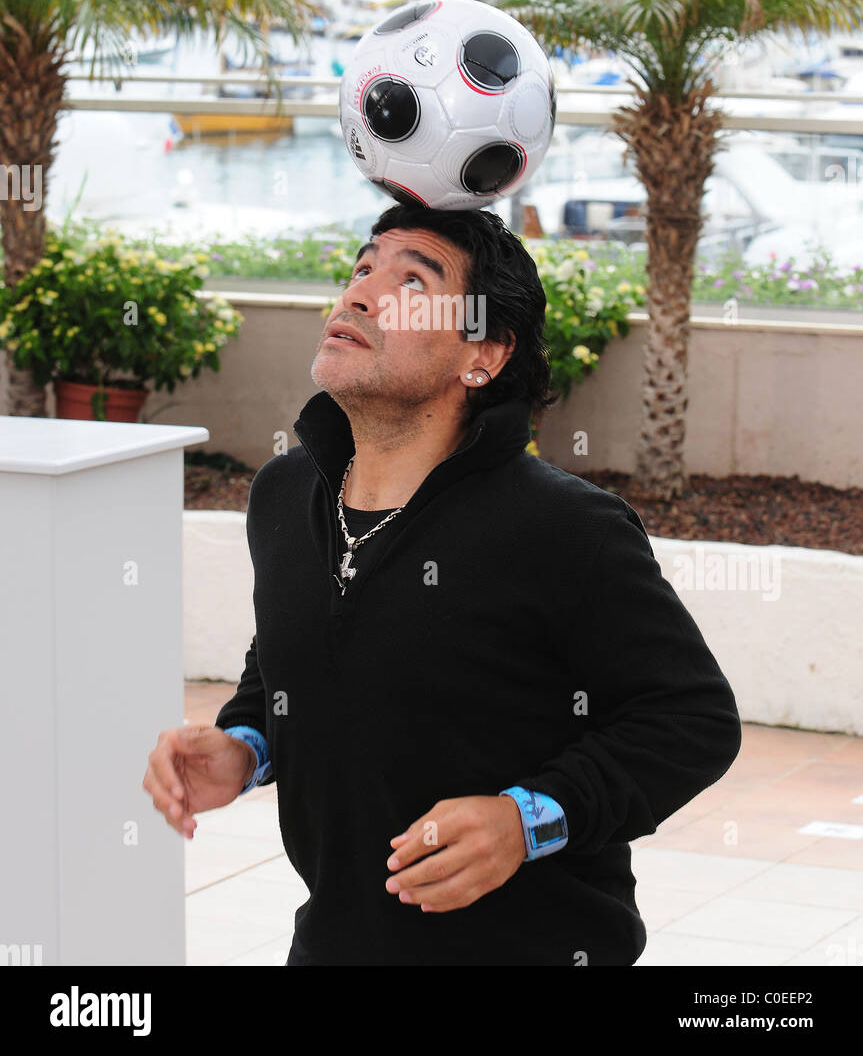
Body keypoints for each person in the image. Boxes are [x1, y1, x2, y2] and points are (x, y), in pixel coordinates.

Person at [143, 202, 741, 966]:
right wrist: (246, 744)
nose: (358, 294)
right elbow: (295, 650)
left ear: (483, 354)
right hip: (334, 944)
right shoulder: (285, 495)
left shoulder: (563, 527)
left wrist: (527, 820)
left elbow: (691, 718)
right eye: (362, 268)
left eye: (411, 283)